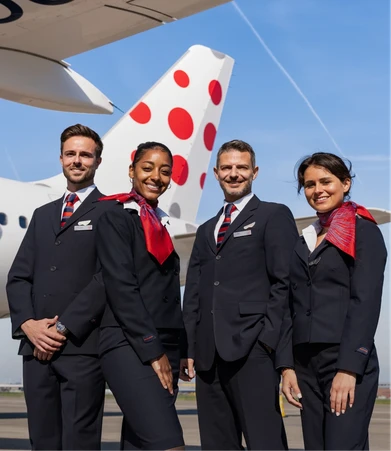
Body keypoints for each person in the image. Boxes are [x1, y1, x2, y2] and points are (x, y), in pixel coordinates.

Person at [181, 139, 298, 451]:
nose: (234, 174)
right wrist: (189, 346)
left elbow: (284, 284)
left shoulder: (274, 216)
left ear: (254, 172)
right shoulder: (206, 229)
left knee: (265, 440)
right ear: (216, 173)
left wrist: (267, 341)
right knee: (217, 442)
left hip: (253, 350)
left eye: (241, 167)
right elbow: (193, 290)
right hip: (208, 355)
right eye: (227, 168)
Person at [6, 124, 115, 450]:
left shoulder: (111, 211)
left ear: (97, 161)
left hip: (82, 348)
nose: (77, 160)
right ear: (61, 158)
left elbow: (106, 278)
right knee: (42, 441)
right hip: (34, 349)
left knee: (79, 443)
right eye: (71, 154)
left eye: (85, 155)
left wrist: (61, 329)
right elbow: (18, 278)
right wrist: (29, 326)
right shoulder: (42, 215)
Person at [278, 152, 387, 451]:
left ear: (345, 183)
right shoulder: (304, 238)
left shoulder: (363, 231)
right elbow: (290, 304)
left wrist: (349, 369)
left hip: (344, 358)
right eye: (309, 184)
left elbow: (365, 301)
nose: (318, 190)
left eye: (326, 181)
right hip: (304, 362)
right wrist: (286, 366)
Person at [96, 142, 185, 451]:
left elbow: (168, 292)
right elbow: (121, 287)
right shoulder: (116, 217)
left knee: (139, 442)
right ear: (132, 170)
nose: (156, 176)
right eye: (147, 168)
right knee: (167, 442)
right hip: (130, 343)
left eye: (165, 171)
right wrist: (152, 350)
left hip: (166, 343)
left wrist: (181, 347)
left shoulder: (161, 220)